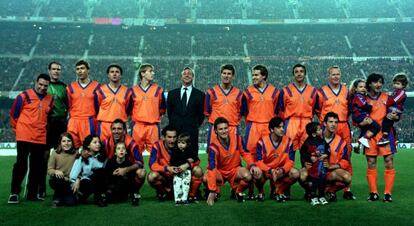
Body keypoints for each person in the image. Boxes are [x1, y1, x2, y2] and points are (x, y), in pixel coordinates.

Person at [8, 73, 54, 204]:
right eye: (40, 84)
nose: (42, 87)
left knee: (37, 166)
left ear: (48, 86)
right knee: (21, 165)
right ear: (35, 82)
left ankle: (32, 193)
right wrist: (18, 131)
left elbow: (47, 117)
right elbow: (13, 114)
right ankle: (14, 193)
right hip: (24, 136)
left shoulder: (50, 100)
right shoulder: (24, 96)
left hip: (40, 137)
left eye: (45, 86)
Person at [317, 65, 355, 200]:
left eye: (338, 74)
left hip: (343, 125)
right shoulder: (321, 91)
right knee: (324, 156)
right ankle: (321, 186)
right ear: (329, 76)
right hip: (328, 126)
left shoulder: (346, 91)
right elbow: (317, 109)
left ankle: (347, 189)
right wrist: (326, 123)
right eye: (333, 74)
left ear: (341, 75)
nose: (336, 76)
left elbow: (350, 108)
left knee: (347, 156)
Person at [241, 64, 279, 199]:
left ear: (264, 76)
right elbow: (244, 112)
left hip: (269, 128)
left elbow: (278, 112)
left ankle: (275, 190)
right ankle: (254, 191)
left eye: (256, 75)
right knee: (251, 157)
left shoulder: (275, 92)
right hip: (253, 127)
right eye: (253, 75)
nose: (254, 77)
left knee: (272, 158)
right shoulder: (247, 92)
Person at [205, 117, 261, 206]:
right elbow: (212, 167)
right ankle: (216, 193)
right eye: (220, 129)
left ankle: (237, 191)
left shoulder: (237, 138)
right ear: (215, 131)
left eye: (225, 128)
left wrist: (252, 165)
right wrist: (212, 190)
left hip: (234, 170)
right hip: (220, 171)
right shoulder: (213, 147)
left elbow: (245, 153)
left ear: (228, 128)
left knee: (248, 176)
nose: (224, 131)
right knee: (206, 178)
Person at [364, 73, 398, 202]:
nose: (378, 84)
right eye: (375, 82)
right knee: (371, 162)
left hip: (385, 133)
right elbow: (358, 115)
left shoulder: (387, 97)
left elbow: (396, 112)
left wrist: (396, 116)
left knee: (389, 161)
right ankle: (373, 193)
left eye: (380, 82)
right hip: (370, 134)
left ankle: (388, 193)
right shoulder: (364, 99)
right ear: (370, 84)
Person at [148, 125, 203, 202]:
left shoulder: (182, 145)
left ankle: (191, 195)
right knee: (152, 176)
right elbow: (152, 165)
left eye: (174, 137)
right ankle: (163, 193)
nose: (172, 140)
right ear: (163, 137)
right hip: (166, 178)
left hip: (183, 175)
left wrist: (187, 165)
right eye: (169, 137)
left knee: (198, 170)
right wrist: (167, 168)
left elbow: (197, 161)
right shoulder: (157, 146)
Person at [39, 61, 68, 200]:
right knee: (44, 157)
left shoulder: (64, 87)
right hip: (47, 124)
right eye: (54, 69)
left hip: (61, 123)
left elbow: (69, 105)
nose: (56, 71)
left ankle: (60, 185)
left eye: (58, 69)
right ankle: (41, 187)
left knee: (61, 155)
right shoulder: (44, 86)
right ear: (49, 70)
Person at [254, 117, 299, 202]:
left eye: (283, 127)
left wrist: (282, 170)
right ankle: (261, 192)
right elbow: (259, 161)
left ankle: (278, 190)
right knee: (256, 172)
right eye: (279, 127)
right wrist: (271, 171)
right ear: (271, 129)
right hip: (267, 171)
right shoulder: (262, 141)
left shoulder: (289, 141)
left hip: (280, 171)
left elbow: (291, 161)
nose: (282, 129)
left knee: (295, 173)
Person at [101, 119, 146, 205]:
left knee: (141, 172)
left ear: (124, 130)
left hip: (129, 169)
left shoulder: (132, 143)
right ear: (111, 130)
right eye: (114, 129)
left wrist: (126, 169)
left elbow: (140, 162)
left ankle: (134, 192)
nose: (116, 131)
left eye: (119, 129)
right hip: (113, 170)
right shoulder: (106, 142)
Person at [279, 63, 318, 151]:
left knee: (308, 151)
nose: (299, 74)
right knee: (288, 151)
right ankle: (289, 165)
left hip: (307, 122)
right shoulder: (285, 90)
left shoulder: (313, 91)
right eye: (296, 72)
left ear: (305, 74)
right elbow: (281, 110)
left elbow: (315, 108)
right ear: (293, 74)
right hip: (291, 123)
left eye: (301, 71)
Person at [167, 66, 205, 155]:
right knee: (175, 158)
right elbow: (170, 113)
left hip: (192, 131)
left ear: (193, 77)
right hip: (176, 131)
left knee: (192, 159)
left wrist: (193, 124)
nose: (187, 75)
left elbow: (201, 115)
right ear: (181, 77)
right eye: (184, 73)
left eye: (189, 74)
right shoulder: (172, 94)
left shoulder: (200, 95)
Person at [130, 63, 166, 153]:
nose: (153, 73)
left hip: (153, 127)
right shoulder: (132, 91)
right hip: (138, 127)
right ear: (142, 73)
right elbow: (129, 109)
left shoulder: (158, 89)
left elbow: (162, 108)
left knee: (156, 155)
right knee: (135, 155)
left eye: (153, 71)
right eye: (150, 71)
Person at [204, 64, 242, 147]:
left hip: (232, 129)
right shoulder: (211, 92)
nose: (226, 76)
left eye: (229, 74)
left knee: (233, 157)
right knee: (213, 156)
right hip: (215, 129)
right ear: (221, 75)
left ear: (233, 76)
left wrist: (231, 121)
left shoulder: (239, 93)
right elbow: (207, 112)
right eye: (224, 73)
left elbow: (240, 112)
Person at [66, 60, 100, 148]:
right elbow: (68, 105)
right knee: (72, 149)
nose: (80, 71)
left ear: (88, 70)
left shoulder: (97, 87)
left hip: (89, 121)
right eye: (77, 69)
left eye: (82, 68)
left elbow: (99, 106)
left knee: (88, 149)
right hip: (74, 121)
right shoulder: (70, 87)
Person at [322, 112, 352, 202]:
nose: (333, 124)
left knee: (347, 177)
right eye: (330, 122)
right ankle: (310, 192)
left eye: (335, 122)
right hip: (316, 172)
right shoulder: (317, 138)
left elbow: (346, 161)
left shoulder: (341, 142)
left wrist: (332, 166)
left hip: (331, 173)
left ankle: (330, 191)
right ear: (324, 123)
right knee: (303, 175)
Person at [95, 64, 131, 140]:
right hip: (105, 125)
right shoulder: (100, 90)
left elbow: (128, 109)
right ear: (108, 75)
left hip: (120, 126)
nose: (114, 74)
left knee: (120, 149)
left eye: (117, 72)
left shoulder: (127, 91)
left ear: (120, 75)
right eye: (112, 72)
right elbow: (96, 108)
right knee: (103, 148)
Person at [69, 135, 107, 206]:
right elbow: (72, 176)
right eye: (95, 142)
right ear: (88, 146)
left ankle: (99, 198)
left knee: (100, 172)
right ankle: (80, 196)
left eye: (99, 142)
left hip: (96, 183)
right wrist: (77, 179)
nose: (98, 144)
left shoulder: (102, 157)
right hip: (83, 184)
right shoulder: (82, 157)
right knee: (71, 202)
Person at [300, 122, 330, 206]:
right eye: (319, 129)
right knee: (313, 181)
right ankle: (313, 197)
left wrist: (326, 154)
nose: (321, 130)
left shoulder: (322, 141)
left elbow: (328, 149)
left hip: (322, 166)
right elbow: (303, 153)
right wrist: (310, 157)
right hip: (313, 167)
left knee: (322, 181)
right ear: (313, 133)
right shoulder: (307, 143)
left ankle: (321, 196)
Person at [47, 132, 77, 207]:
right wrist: (56, 171)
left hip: (69, 182)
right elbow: (49, 170)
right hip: (58, 180)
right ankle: (57, 197)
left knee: (71, 203)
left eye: (69, 141)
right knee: (58, 179)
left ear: (72, 142)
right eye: (63, 141)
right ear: (60, 143)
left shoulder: (76, 154)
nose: (66, 143)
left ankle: (62, 195)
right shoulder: (55, 153)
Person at [378, 73, 408, 145]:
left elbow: (394, 100)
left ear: (403, 85)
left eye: (397, 84)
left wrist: (386, 101)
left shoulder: (401, 92)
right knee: (390, 125)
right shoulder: (396, 91)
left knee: (387, 121)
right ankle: (394, 139)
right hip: (392, 108)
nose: (395, 85)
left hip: (395, 109)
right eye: (394, 83)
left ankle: (384, 137)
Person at [350, 79, 381, 148]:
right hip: (360, 116)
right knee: (376, 127)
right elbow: (364, 105)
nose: (363, 89)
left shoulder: (359, 96)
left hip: (358, 116)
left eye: (364, 87)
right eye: (360, 87)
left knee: (364, 130)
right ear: (355, 89)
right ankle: (365, 138)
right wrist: (371, 106)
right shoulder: (358, 96)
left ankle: (358, 144)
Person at [171, 133, 198, 205]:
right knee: (177, 186)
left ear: (187, 144)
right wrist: (175, 167)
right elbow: (171, 161)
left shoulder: (189, 151)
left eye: (183, 143)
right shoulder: (175, 151)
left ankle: (184, 199)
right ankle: (177, 200)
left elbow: (196, 158)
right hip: (177, 172)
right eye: (179, 142)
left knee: (186, 186)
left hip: (187, 172)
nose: (180, 144)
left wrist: (191, 160)